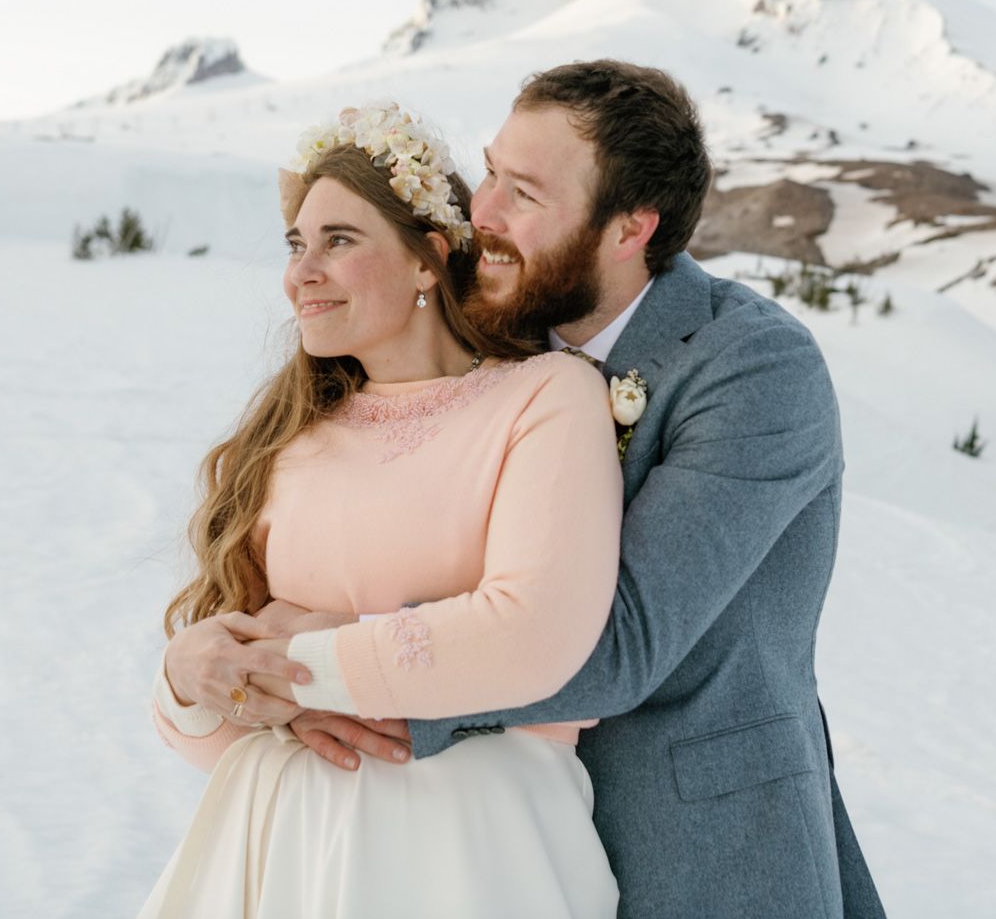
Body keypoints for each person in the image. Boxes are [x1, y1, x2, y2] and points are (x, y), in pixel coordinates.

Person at [227, 61, 888, 919]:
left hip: (700, 848)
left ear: (629, 229)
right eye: (491, 171)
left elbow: (619, 642)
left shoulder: (754, 367)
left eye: (525, 193)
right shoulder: (493, 334)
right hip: (497, 844)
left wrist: (333, 660)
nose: (483, 211)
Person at [141, 102, 624, 916]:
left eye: (339, 240)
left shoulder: (543, 396)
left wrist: (309, 661)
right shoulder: (290, 439)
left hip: (473, 851)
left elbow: (534, 634)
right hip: (281, 851)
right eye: (297, 244)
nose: (303, 271)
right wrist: (186, 675)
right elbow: (228, 725)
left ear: (428, 260)